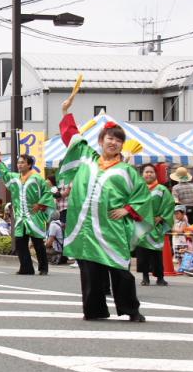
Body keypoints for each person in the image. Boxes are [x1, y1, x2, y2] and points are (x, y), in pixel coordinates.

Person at [57, 95, 152, 322]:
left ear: (122, 145)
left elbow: (143, 197)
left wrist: (128, 210)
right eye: (109, 138)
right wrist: (65, 113)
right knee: (89, 271)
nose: (113, 143)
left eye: (118, 141)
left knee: (120, 269)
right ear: (101, 140)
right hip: (85, 228)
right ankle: (95, 310)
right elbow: (74, 138)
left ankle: (131, 309)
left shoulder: (127, 171)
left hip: (111, 227)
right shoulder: (87, 158)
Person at [0, 151, 55, 276]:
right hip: (20, 216)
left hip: (34, 214)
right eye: (18, 162)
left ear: (29, 165)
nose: (19, 165)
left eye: (22, 162)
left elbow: (47, 193)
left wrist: (40, 204)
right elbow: (5, 174)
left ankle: (43, 268)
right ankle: (26, 267)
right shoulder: (16, 178)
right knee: (20, 242)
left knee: (38, 243)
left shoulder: (37, 178)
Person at [135, 164, 175, 286]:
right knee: (142, 253)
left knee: (157, 253)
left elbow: (169, 204)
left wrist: (162, 217)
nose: (149, 174)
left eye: (151, 172)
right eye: (146, 172)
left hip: (155, 225)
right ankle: (145, 277)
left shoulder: (162, 190)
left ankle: (160, 277)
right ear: (142, 174)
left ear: (156, 174)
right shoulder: (138, 190)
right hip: (142, 225)